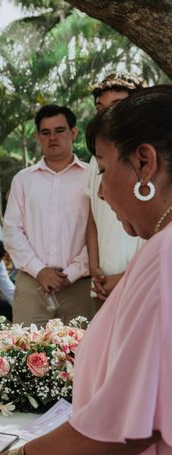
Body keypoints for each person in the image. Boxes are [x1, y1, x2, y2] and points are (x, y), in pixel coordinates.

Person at [0, 85, 172, 455]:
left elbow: (123, 428)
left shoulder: (165, 257)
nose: (99, 189)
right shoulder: (159, 248)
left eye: (103, 168)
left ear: (144, 164)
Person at [3, 104, 96, 327]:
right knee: (26, 355)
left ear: (73, 133)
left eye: (60, 130)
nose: (52, 137)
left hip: (79, 284)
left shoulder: (92, 177)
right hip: (32, 283)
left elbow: (99, 231)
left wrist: (71, 273)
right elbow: (12, 230)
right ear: (38, 136)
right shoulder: (24, 180)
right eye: (46, 132)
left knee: (81, 356)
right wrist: (40, 270)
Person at [86, 73, 145, 308]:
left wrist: (125, 278)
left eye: (117, 106)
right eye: (101, 108)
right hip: (102, 286)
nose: (107, 116)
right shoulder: (94, 160)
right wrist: (94, 268)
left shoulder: (151, 157)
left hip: (143, 284)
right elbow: (92, 215)